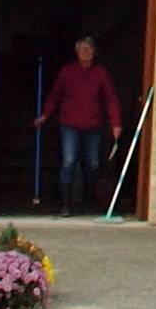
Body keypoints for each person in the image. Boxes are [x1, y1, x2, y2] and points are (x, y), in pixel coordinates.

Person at [44, 35, 124, 210]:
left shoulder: (100, 73)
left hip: (93, 125)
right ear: (76, 52)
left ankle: (88, 200)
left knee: (93, 163)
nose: (86, 52)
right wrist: (45, 115)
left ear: (94, 52)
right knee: (69, 161)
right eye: (82, 49)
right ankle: (65, 204)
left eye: (89, 49)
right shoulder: (67, 71)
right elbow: (55, 95)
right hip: (69, 124)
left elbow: (111, 99)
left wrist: (116, 124)